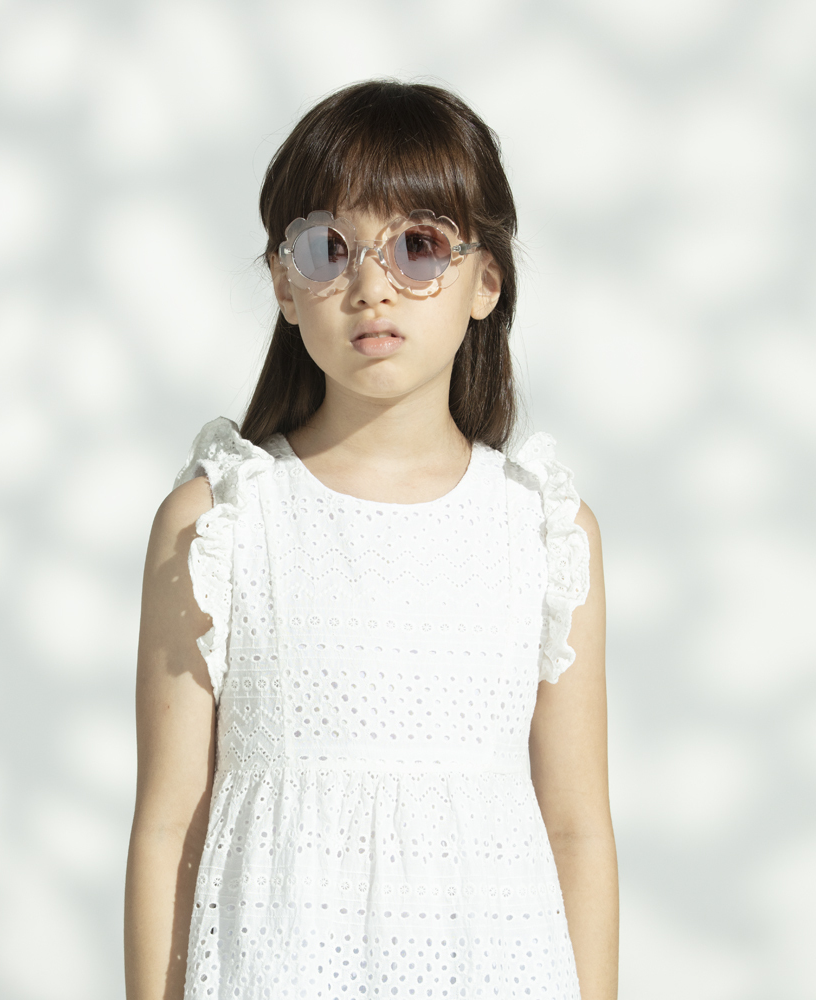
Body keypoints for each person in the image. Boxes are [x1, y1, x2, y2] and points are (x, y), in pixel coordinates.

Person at [125, 80, 617, 1000]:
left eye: (419, 245)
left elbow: (578, 828)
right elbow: (167, 825)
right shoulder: (219, 521)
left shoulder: (543, 529)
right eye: (329, 247)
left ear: (487, 281)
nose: (371, 285)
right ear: (284, 282)